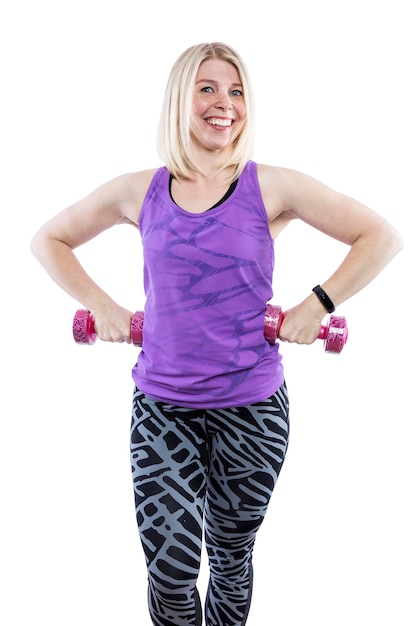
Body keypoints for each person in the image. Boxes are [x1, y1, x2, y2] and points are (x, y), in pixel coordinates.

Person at [30, 42, 403, 626]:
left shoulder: (269, 186)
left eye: (236, 91)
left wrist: (316, 305)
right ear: (181, 97)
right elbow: (47, 240)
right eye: (207, 88)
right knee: (171, 568)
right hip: (163, 407)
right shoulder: (140, 190)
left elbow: (380, 235)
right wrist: (101, 305)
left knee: (230, 557)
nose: (223, 104)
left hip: (252, 408)